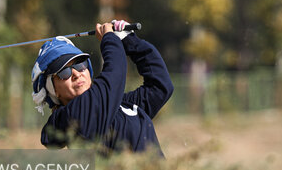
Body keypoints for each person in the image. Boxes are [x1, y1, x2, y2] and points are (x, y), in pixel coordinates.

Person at [31, 20, 174, 156]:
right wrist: (110, 39)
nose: (76, 74)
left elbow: (160, 85)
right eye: (64, 72)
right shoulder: (70, 116)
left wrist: (129, 40)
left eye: (80, 65)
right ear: (53, 90)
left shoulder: (120, 104)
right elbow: (114, 75)